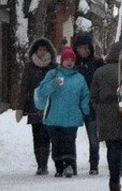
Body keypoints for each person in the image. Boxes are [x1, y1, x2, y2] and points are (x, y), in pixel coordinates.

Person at [34, 46, 91, 178]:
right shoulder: (53, 74)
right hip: (53, 117)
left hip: (72, 117)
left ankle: (70, 165)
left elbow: (85, 95)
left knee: (69, 141)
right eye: (66, 59)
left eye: (72, 59)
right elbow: (42, 91)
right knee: (56, 142)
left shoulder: (79, 78)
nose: (69, 62)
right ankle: (59, 166)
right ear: (62, 61)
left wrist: (85, 109)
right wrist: (54, 84)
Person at [91, 42, 122, 191]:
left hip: (107, 116)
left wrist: (99, 108)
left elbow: (93, 96)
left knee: (113, 149)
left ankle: (114, 180)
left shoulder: (100, 72)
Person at [16, 37, 56, 175]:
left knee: (45, 135)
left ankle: (43, 164)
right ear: (35, 50)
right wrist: (20, 107)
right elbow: (24, 87)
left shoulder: (53, 67)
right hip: (33, 106)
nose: (42, 52)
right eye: (40, 49)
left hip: (49, 106)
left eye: (45, 49)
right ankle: (39, 162)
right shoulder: (29, 67)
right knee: (36, 135)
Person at [73, 32, 105, 175]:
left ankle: (94, 164)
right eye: (80, 48)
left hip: (92, 106)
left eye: (86, 48)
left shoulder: (98, 63)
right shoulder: (72, 64)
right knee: (70, 137)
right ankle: (70, 162)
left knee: (93, 138)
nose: (84, 51)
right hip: (75, 106)